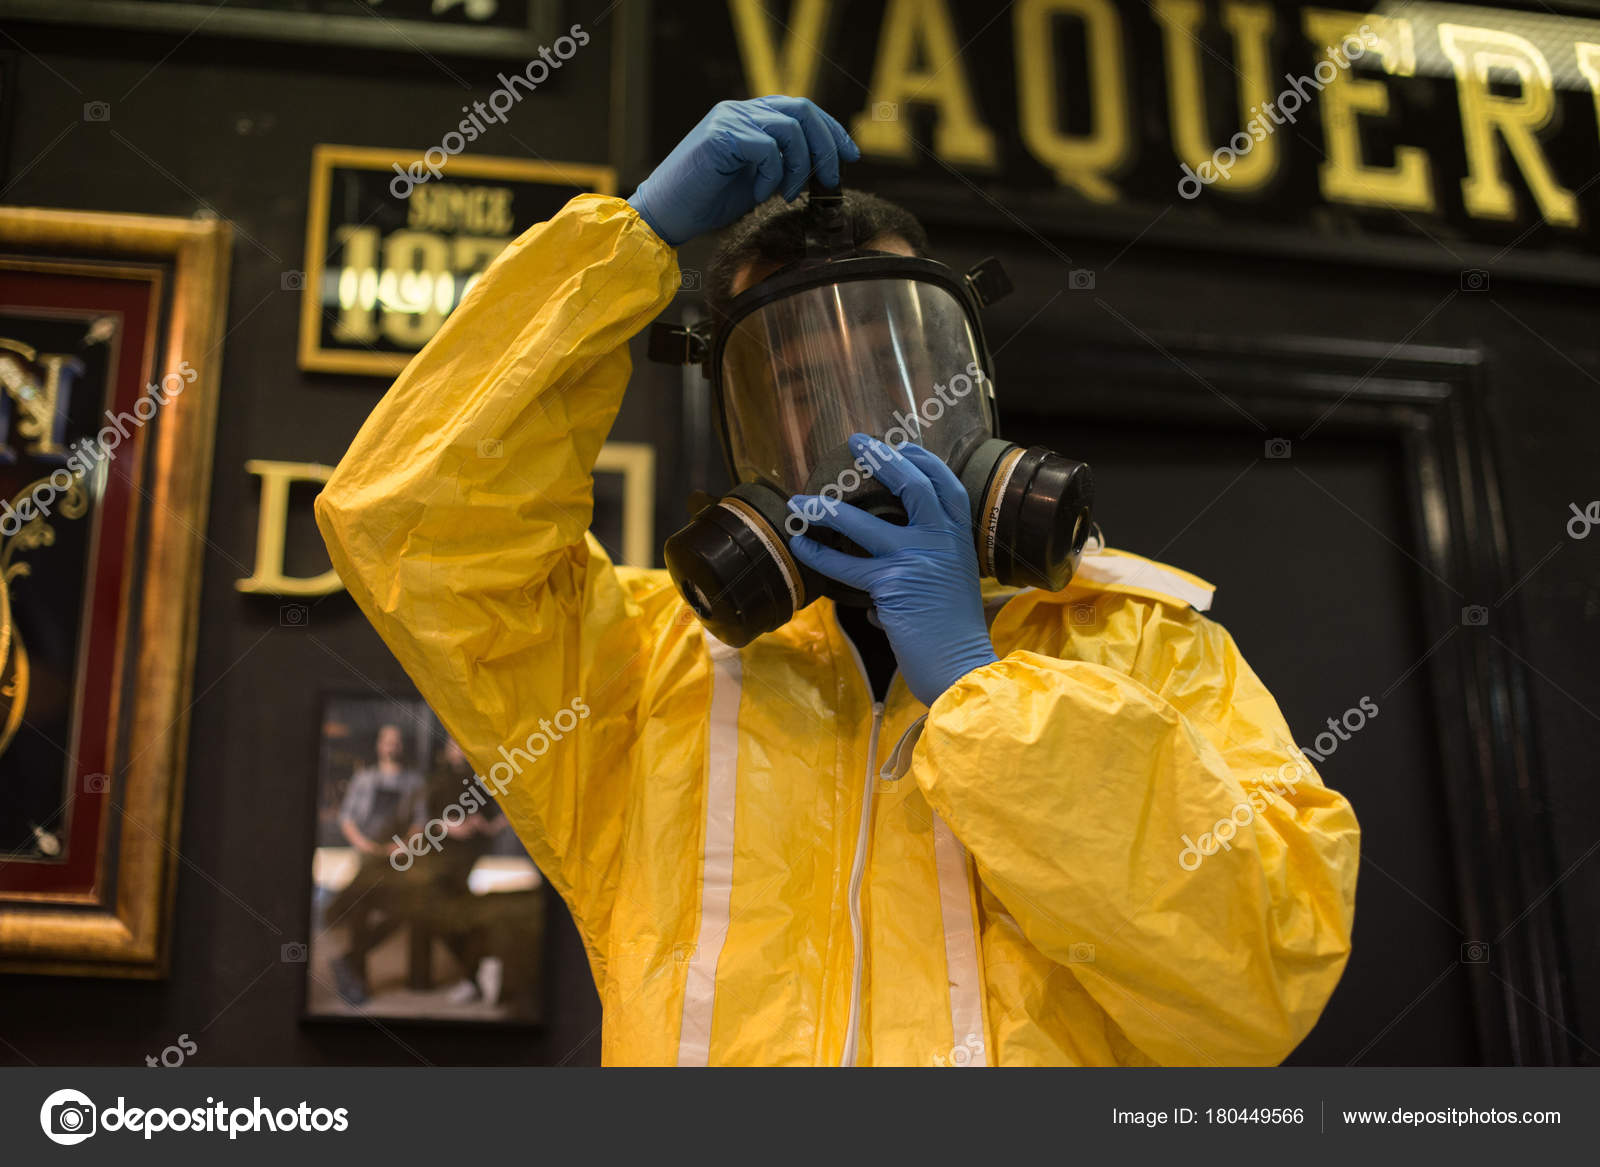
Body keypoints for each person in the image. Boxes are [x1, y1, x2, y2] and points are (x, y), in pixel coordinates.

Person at [316, 96, 1360, 1065]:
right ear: (744, 426)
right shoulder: (638, 672)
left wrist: (979, 694)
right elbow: (411, 521)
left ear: (972, 378)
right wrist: (624, 244)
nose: (873, 422)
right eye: (805, 382)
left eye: (899, 364)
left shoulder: (1144, 645)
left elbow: (1257, 979)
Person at [326, 723, 428, 1005]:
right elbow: (346, 818)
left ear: (401, 747)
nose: (391, 746)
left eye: (396, 741)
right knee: (360, 916)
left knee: (404, 911)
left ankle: (347, 960)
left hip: (399, 859)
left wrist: (401, 846)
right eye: (387, 741)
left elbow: (420, 822)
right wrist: (366, 846)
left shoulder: (414, 782)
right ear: (379, 746)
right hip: (367, 857)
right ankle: (359, 982)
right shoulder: (365, 779)